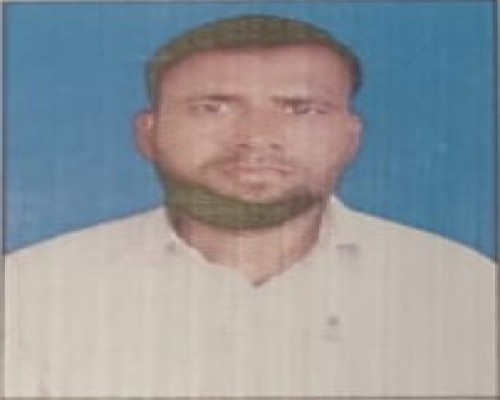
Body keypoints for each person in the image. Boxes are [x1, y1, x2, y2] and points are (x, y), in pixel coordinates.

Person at [5, 14, 496, 397]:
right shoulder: (30, 290)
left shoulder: (462, 288)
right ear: (148, 134)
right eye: (212, 108)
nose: (258, 137)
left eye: (302, 109)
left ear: (350, 138)